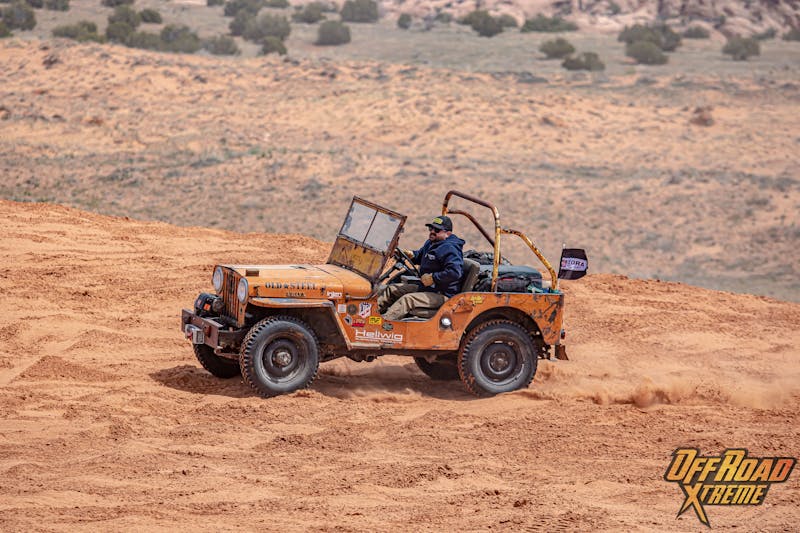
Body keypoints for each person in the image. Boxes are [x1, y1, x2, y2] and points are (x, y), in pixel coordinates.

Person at [378, 215, 465, 321]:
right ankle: (370, 315)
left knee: (407, 300)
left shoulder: (450, 248)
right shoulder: (431, 243)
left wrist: (433, 277)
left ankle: (382, 325)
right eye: (431, 228)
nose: (432, 231)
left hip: (443, 294)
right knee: (391, 290)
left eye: (437, 230)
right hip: (428, 287)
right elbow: (420, 256)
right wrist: (410, 254)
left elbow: (455, 272)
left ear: (448, 233)